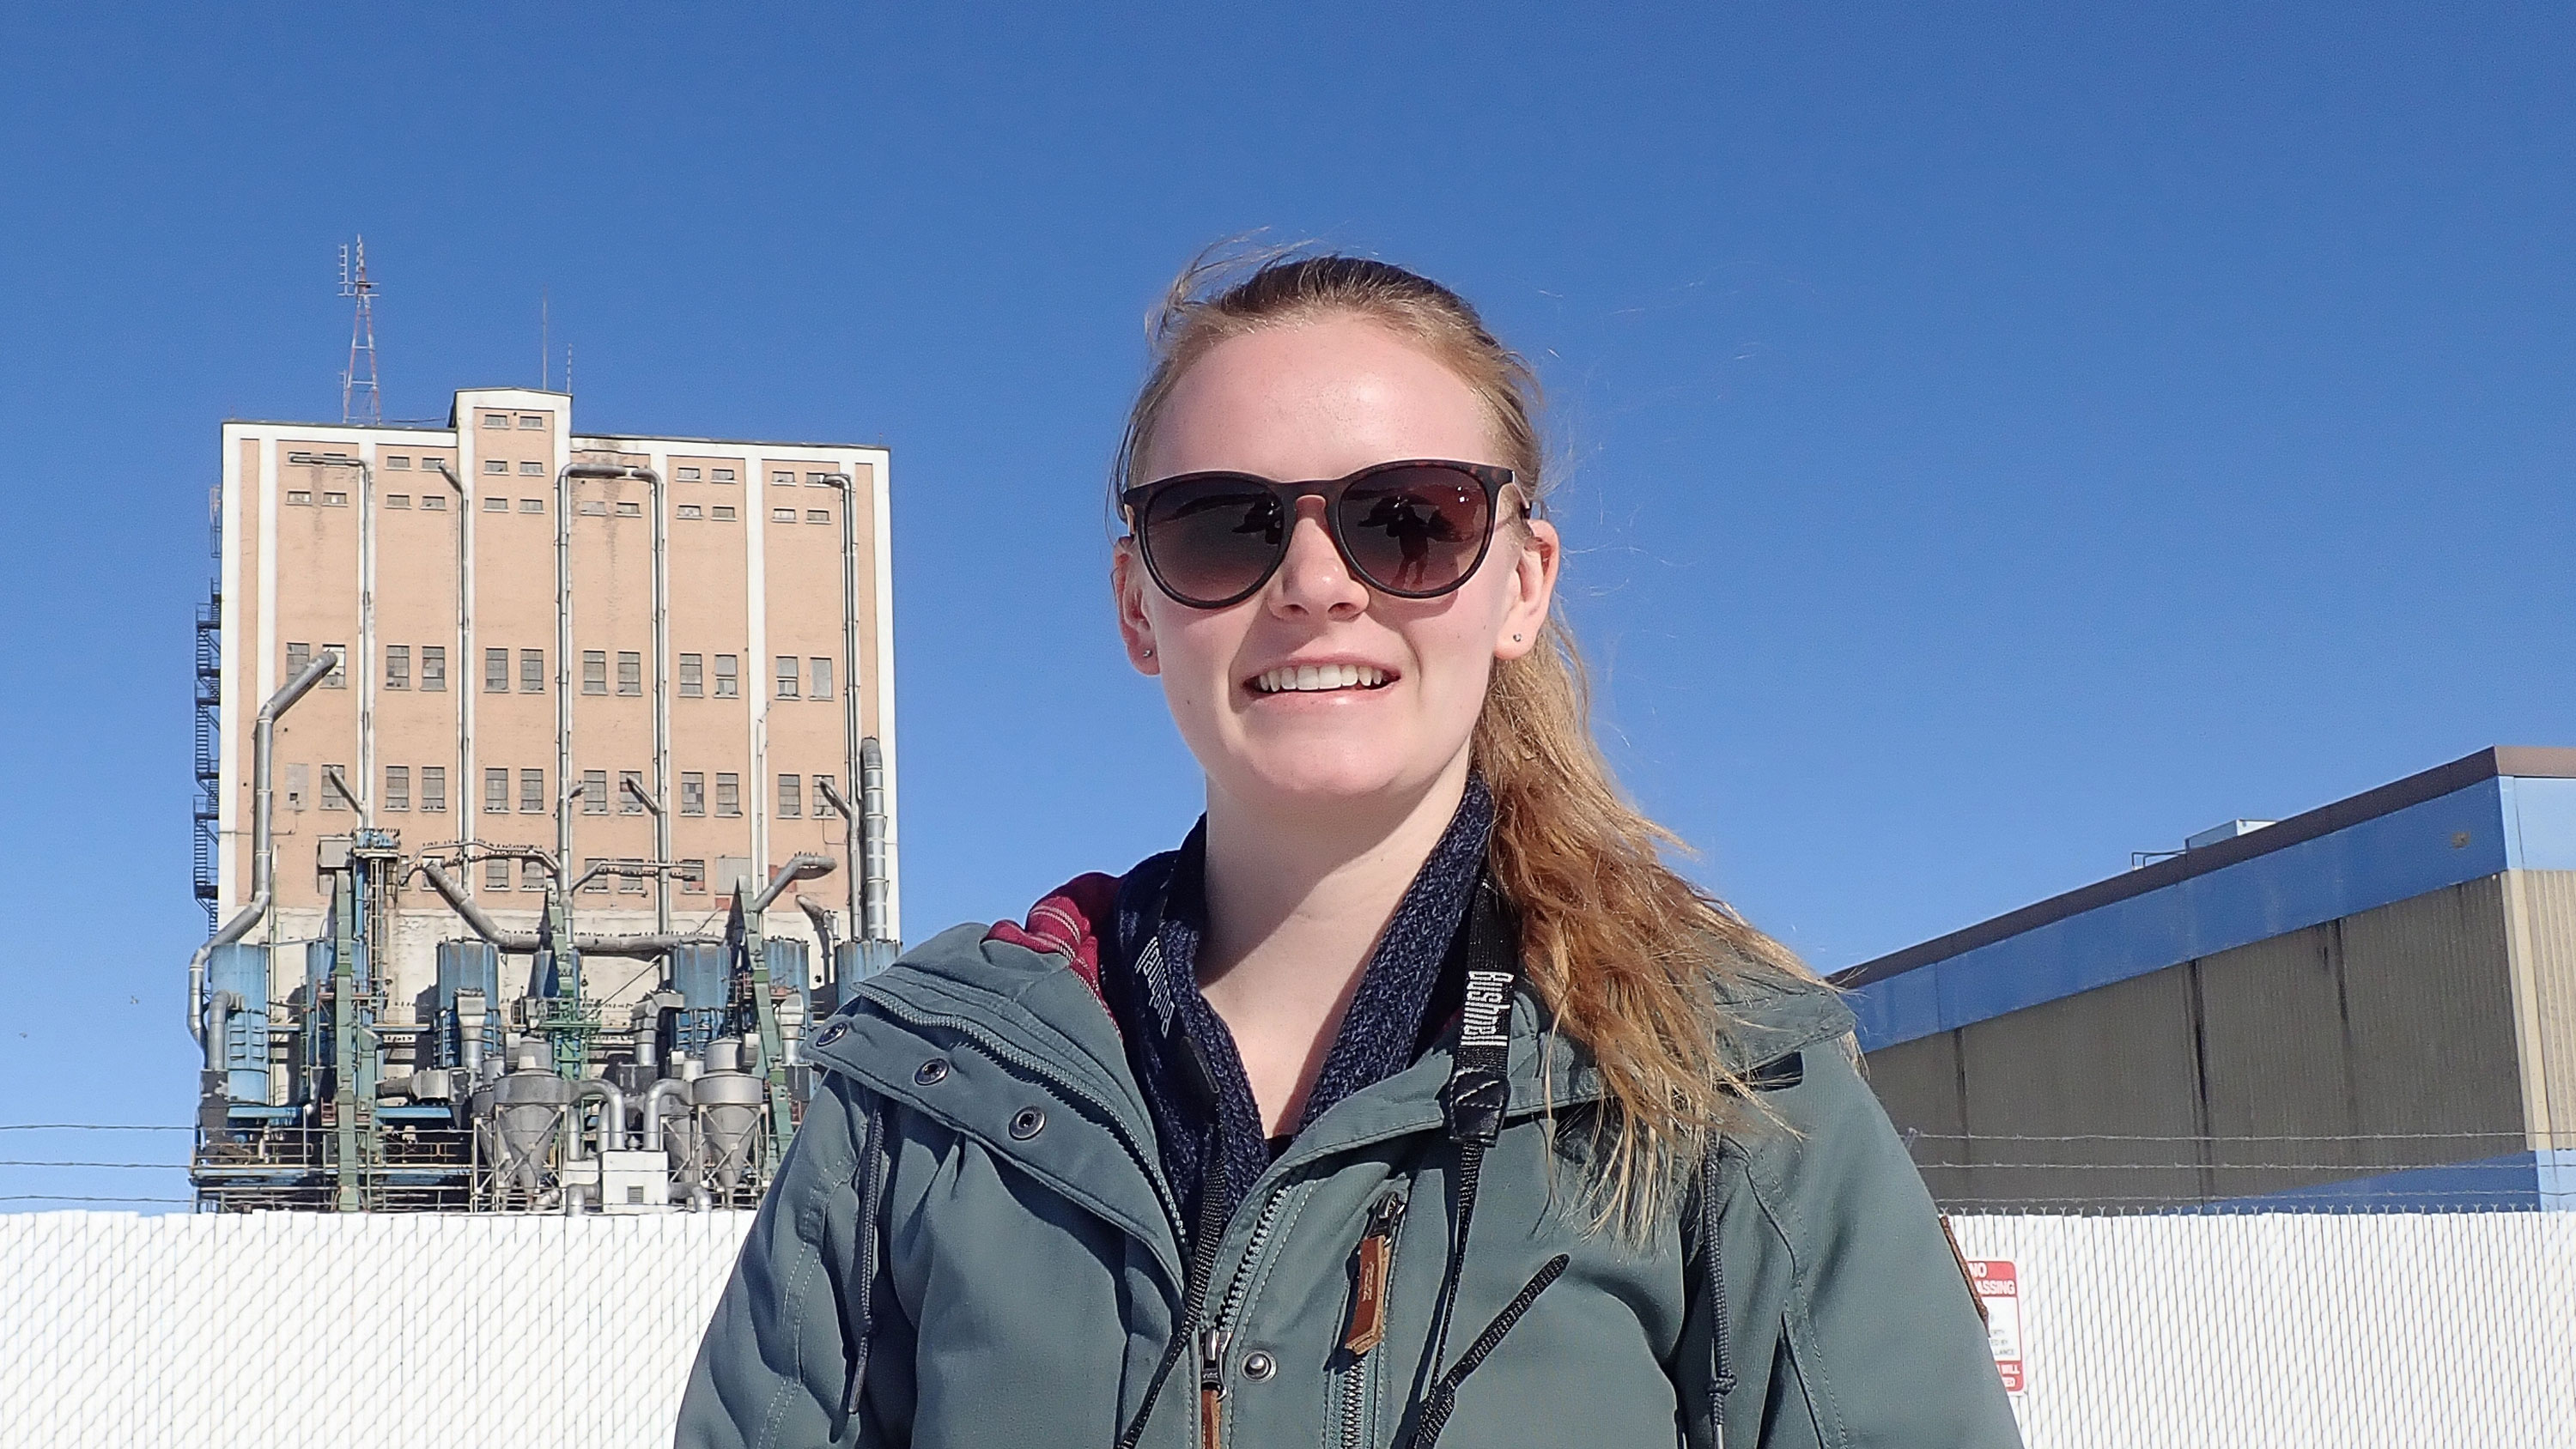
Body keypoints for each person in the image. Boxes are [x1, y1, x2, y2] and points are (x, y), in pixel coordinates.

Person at [676, 252, 2020, 1449]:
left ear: (1520, 582)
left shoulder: (1725, 1082)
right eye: (1224, 526)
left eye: (1407, 521)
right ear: (1138, 608)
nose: (1317, 583)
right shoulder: (923, 1095)